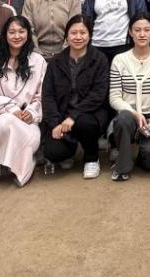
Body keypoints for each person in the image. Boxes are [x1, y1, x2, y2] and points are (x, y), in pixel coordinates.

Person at [0, 17, 47, 190]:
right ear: (5, 35)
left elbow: (42, 96)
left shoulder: (38, 61)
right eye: (12, 32)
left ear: (28, 34)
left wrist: (31, 113)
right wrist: (11, 109)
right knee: (6, 121)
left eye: (21, 31)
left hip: (27, 123)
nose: (17, 36)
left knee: (15, 125)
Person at [41, 15, 110, 179]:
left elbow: (98, 94)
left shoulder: (99, 59)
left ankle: (91, 158)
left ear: (90, 35)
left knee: (84, 123)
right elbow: (48, 95)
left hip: (91, 113)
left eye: (83, 32)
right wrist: (55, 124)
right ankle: (69, 151)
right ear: (66, 36)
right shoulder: (56, 62)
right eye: (73, 33)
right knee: (52, 152)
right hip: (63, 115)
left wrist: (73, 116)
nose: (78, 37)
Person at [109, 13, 150, 180]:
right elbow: (114, 97)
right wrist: (135, 114)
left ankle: (143, 156)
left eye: (146, 30)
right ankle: (122, 167)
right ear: (130, 32)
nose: (142, 34)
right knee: (123, 120)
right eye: (137, 30)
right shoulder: (119, 60)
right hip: (129, 115)